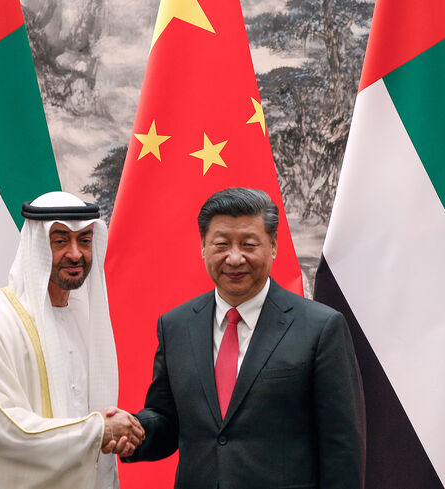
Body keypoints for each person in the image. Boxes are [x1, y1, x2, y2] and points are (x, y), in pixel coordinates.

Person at [123, 187, 366, 488]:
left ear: (273, 245)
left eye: (249, 244)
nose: (235, 258)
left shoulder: (321, 328)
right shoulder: (175, 326)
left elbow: (342, 446)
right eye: (222, 244)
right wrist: (132, 432)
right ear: (203, 246)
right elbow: (167, 419)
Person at [0, 191, 143, 489]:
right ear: (36, 246)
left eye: (85, 240)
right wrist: (98, 431)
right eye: (60, 241)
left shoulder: (83, 318)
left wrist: (114, 432)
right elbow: (0, 430)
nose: (75, 254)